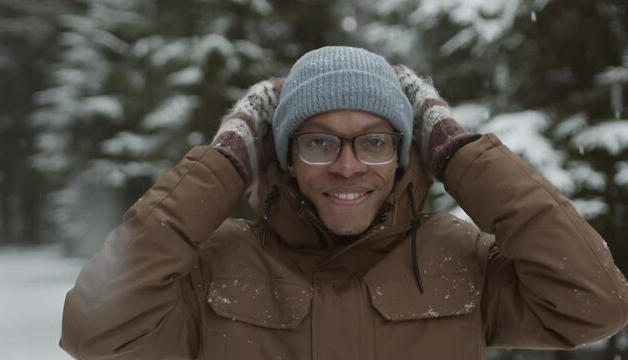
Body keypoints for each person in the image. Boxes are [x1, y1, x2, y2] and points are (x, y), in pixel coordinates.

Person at [60, 46, 628, 359]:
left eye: (376, 141)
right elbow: (96, 331)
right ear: (282, 155)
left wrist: (458, 152)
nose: (348, 164)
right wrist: (226, 160)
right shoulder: (216, 263)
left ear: (407, 153)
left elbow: (594, 305)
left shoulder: (458, 257)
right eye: (318, 141)